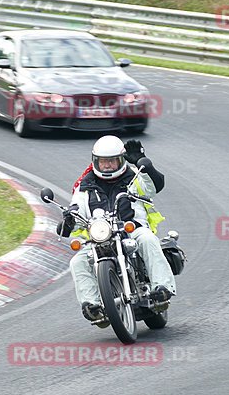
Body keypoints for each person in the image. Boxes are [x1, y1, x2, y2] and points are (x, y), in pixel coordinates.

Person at [60, 135, 176, 322]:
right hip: (101, 236)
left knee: (148, 239)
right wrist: (69, 218)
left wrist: (142, 163)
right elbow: (77, 207)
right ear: (95, 161)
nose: (107, 166)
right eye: (103, 162)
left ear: (120, 160)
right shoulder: (85, 185)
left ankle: (162, 288)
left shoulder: (134, 176)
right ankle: (93, 305)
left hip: (132, 229)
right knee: (77, 261)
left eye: (112, 161)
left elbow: (154, 187)